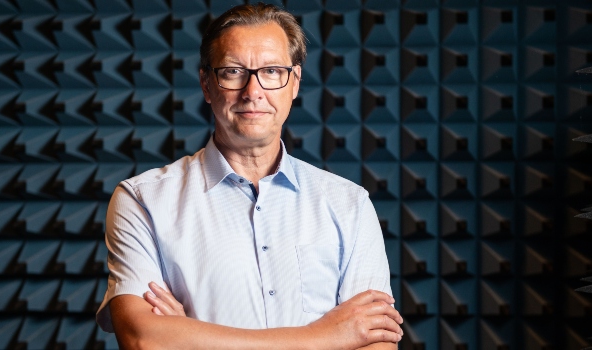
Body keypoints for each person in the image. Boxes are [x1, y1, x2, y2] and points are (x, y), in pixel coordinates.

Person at [96, 3, 403, 349]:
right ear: (207, 84)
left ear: (295, 83)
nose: (252, 91)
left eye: (272, 71)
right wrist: (326, 336)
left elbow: (375, 343)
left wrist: (190, 339)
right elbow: (144, 341)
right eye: (232, 71)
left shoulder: (350, 204)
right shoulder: (142, 201)